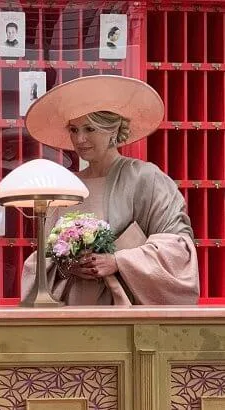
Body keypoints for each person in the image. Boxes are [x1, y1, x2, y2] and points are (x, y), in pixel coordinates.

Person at [21, 75, 199, 305]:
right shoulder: (65, 186)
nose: (80, 139)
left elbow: (178, 249)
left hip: (126, 312)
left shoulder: (146, 178)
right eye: (74, 130)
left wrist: (118, 261)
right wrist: (68, 267)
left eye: (89, 128)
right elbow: (43, 261)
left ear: (113, 130)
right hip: (71, 310)